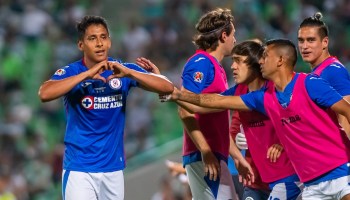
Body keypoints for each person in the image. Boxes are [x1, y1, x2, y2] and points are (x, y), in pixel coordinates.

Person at [168, 39, 350, 200]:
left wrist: (281, 142)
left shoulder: (308, 83)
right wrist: (178, 94)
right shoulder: (261, 97)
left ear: (279, 60)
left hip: (332, 171)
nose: (262, 60)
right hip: (299, 182)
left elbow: (342, 112)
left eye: (238, 61)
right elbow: (214, 101)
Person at [37, 15, 174, 200]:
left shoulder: (122, 70)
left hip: (113, 169)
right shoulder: (72, 72)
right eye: (92, 38)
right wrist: (86, 75)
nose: (99, 43)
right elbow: (44, 93)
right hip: (80, 170)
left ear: (109, 41)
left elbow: (167, 88)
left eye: (103, 37)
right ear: (81, 45)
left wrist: (131, 73)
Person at [174, 40, 302, 199]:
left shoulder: (273, 92)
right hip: (257, 181)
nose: (233, 66)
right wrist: (170, 92)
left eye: (238, 61)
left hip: (289, 176)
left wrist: (282, 143)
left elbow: (301, 120)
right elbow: (199, 105)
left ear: (255, 65)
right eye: (233, 61)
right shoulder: (239, 91)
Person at [175, 7, 239, 200]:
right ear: (224, 36)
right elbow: (184, 109)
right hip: (204, 156)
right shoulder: (201, 62)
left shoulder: (215, 66)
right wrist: (205, 151)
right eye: (233, 35)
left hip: (215, 155)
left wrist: (238, 158)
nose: (235, 40)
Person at [298, 12, 350, 136]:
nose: (304, 46)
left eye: (311, 40)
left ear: (325, 42)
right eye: (301, 40)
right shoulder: (317, 72)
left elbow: (346, 114)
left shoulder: (334, 70)